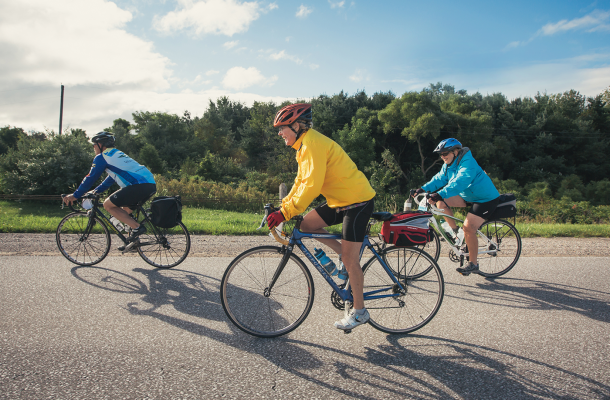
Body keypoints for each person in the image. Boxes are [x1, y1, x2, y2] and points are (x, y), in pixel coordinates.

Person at [266, 103, 376, 331]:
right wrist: (284, 207)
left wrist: (285, 213)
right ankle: (344, 262)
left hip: (358, 201)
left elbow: (313, 187)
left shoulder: (313, 144)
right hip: (341, 200)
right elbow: (300, 182)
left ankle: (360, 311)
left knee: (350, 258)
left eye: (282, 128)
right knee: (306, 225)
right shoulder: (304, 146)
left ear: (296, 126)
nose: (279, 133)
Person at [414, 138, 500, 276]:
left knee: (468, 228)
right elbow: (440, 178)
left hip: (485, 199)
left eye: (445, 153)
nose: (443, 156)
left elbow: (461, 182)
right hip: (468, 196)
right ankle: (455, 233)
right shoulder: (448, 164)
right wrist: (422, 189)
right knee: (440, 203)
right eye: (441, 154)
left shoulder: (468, 162)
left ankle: (473, 264)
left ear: (456, 151)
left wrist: (440, 193)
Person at [62, 132, 157, 245]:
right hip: (149, 184)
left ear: (101, 145)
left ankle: (137, 228)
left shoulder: (101, 157)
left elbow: (90, 178)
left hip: (138, 186)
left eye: (94, 144)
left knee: (108, 205)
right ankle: (133, 243)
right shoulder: (116, 154)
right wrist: (96, 191)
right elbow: (111, 179)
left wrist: (75, 195)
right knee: (125, 210)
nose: (93, 147)